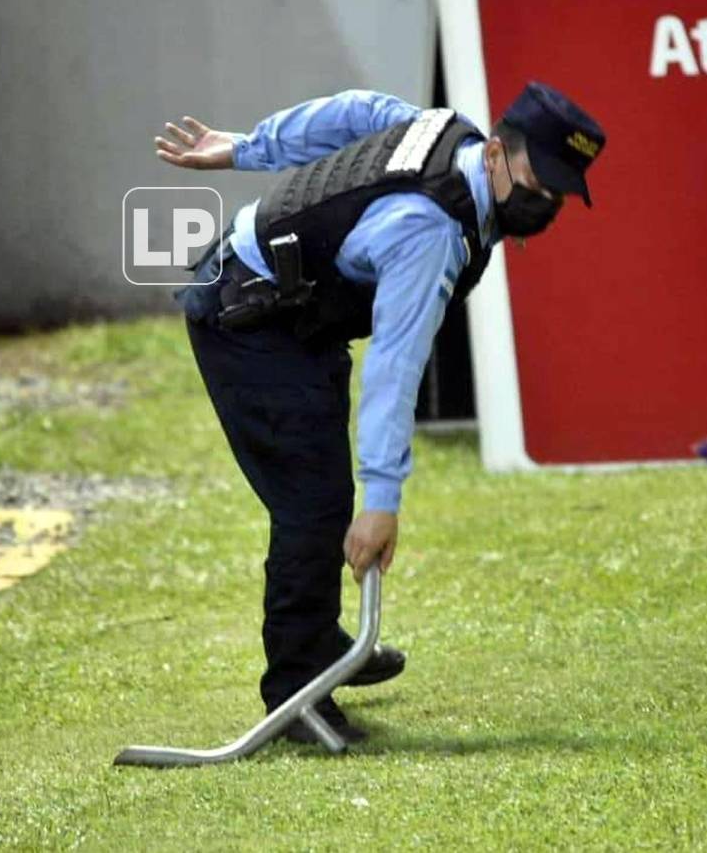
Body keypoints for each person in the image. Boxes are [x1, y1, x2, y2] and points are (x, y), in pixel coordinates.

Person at [156, 84, 606, 744]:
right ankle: (296, 693)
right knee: (312, 507)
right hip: (247, 320)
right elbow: (395, 367)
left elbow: (355, 112)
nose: (545, 203)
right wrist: (382, 501)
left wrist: (247, 148)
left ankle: (318, 642)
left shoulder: (444, 131)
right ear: (494, 154)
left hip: (290, 310)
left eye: (559, 192)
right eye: (537, 182)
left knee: (321, 493)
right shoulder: (429, 233)